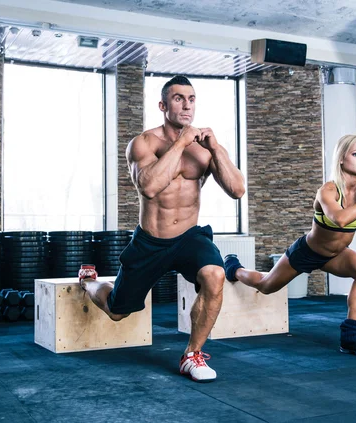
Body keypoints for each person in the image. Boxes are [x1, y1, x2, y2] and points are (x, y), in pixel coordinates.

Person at [81, 75, 245, 382]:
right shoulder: (143, 143)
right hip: (151, 241)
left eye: (191, 99)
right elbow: (150, 188)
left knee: (215, 273)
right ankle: (89, 282)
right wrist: (183, 140)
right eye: (179, 98)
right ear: (163, 104)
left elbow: (237, 190)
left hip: (189, 237)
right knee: (117, 311)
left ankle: (192, 354)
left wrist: (216, 148)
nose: (187, 105)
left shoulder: (205, 150)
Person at [224, 134, 356, 358]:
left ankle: (351, 339)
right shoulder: (328, 191)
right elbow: (340, 219)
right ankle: (234, 268)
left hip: (336, 255)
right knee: (266, 285)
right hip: (307, 252)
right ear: (341, 158)